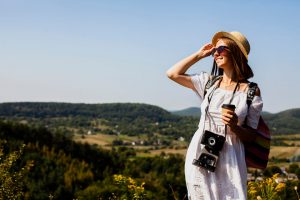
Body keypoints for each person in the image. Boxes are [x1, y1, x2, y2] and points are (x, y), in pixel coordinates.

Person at [166, 31, 263, 200]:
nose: (216, 53)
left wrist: (235, 126)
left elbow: (252, 136)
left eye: (221, 49)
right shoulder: (209, 83)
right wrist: (199, 54)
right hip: (201, 152)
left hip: (231, 159)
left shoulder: (251, 91)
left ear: (236, 52)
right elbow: (172, 74)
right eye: (214, 51)